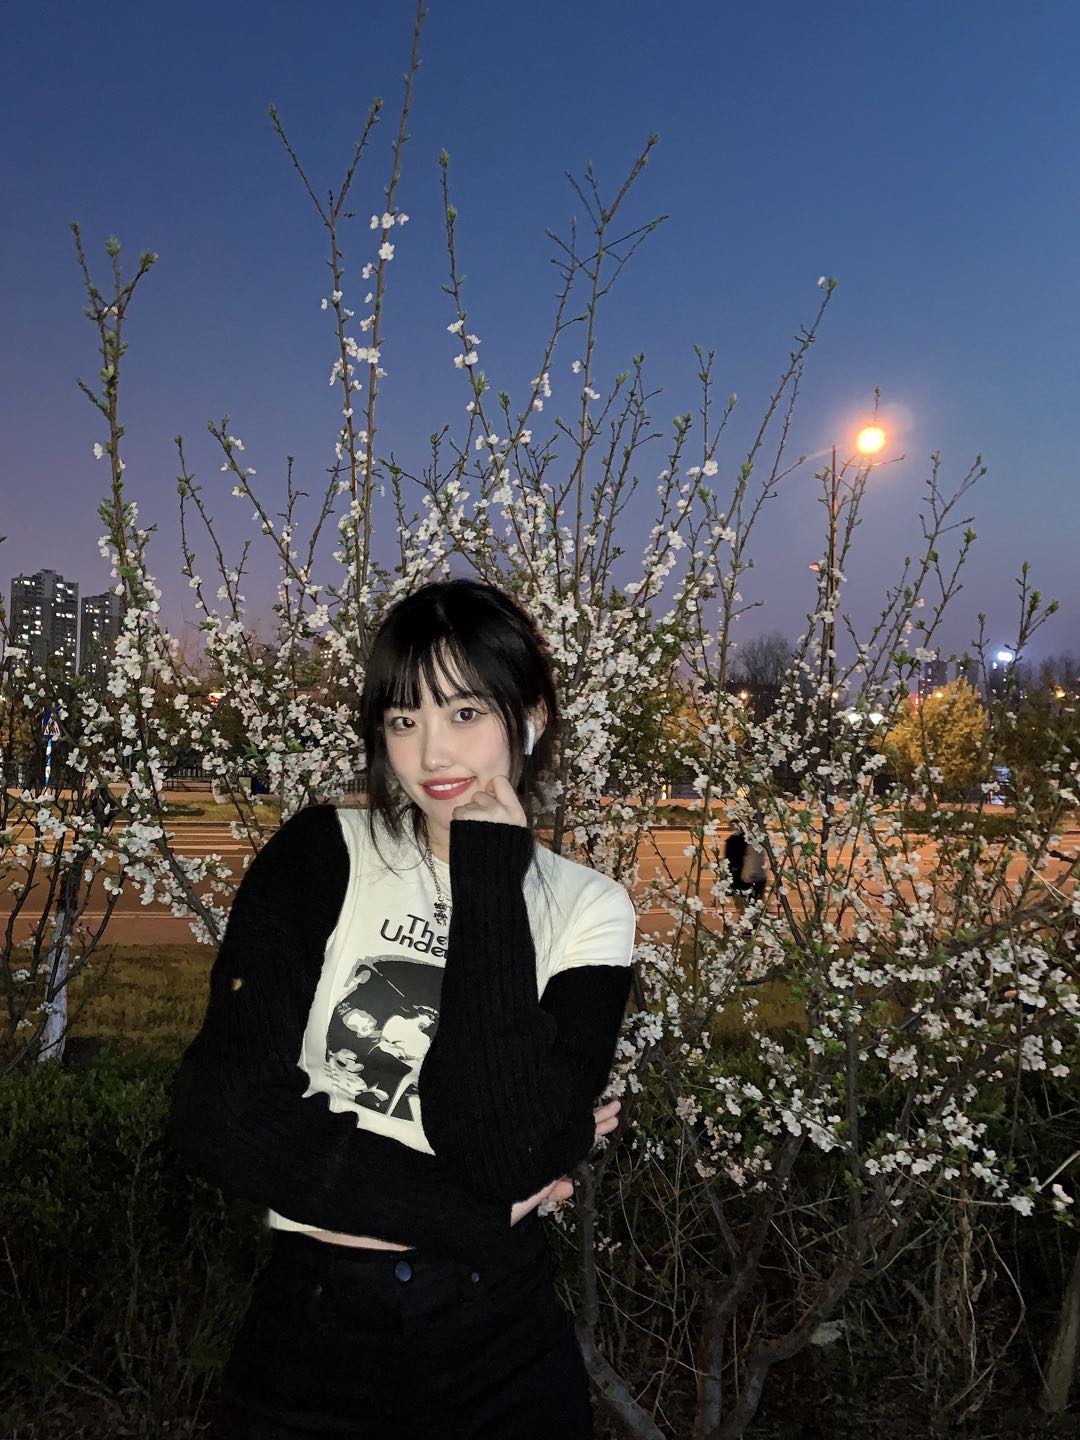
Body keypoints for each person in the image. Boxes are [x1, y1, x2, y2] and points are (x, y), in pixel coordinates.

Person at [169, 578, 637, 1439]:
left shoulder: (588, 908)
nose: (432, 754)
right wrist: (466, 1213)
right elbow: (222, 1115)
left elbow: (503, 1147)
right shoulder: (322, 855)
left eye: (466, 713)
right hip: (314, 1333)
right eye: (404, 719)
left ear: (530, 717)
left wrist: (488, 877)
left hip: (500, 1340)